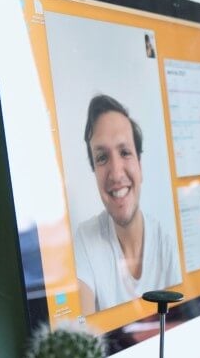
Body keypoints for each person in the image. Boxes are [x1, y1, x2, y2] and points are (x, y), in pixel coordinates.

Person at [74, 94, 181, 313]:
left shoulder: (169, 241)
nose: (115, 173)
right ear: (94, 171)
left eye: (125, 152)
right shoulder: (85, 240)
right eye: (102, 158)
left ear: (140, 165)